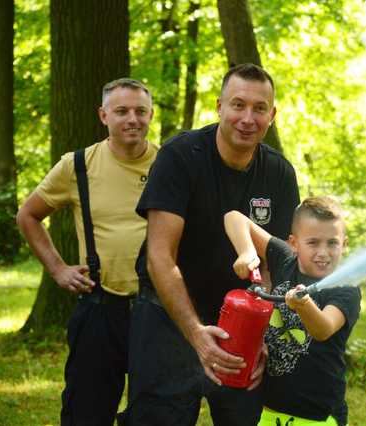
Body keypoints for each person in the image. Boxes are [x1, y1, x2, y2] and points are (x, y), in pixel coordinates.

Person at [125, 63, 300, 426]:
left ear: (273, 114)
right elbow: (160, 255)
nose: (247, 118)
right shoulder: (180, 156)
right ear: (219, 106)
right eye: (238, 105)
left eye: (259, 108)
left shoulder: (279, 173)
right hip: (168, 316)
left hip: (241, 318)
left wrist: (261, 333)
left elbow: (272, 263)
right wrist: (195, 334)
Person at [16, 78, 157, 426]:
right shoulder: (77, 165)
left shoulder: (171, 163)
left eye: (140, 111)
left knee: (157, 414)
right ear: (103, 115)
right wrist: (58, 269)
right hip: (99, 306)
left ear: (151, 114)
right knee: (86, 413)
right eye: (121, 111)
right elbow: (28, 215)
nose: (132, 119)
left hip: (157, 310)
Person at [224, 196, 361, 426]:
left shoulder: (345, 287)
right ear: (294, 243)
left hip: (318, 416)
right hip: (271, 410)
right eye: (313, 242)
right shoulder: (284, 261)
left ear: (344, 244)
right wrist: (248, 252)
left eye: (332, 243)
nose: (323, 252)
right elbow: (234, 217)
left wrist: (304, 305)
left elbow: (323, 329)